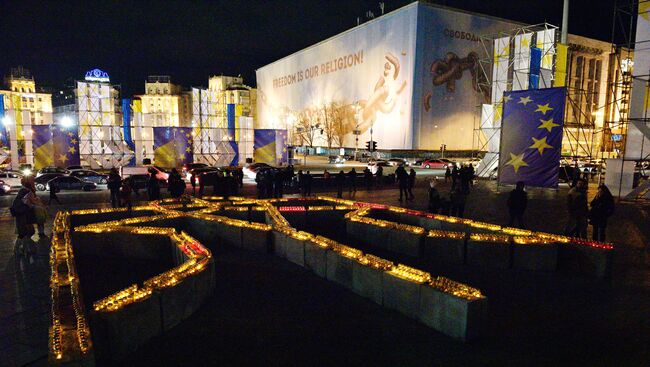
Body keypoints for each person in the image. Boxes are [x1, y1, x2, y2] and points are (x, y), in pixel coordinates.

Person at [11, 176, 37, 256]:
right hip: (22, 213)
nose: (34, 184)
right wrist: (36, 204)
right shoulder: (27, 192)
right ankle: (17, 249)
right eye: (33, 183)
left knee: (28, 231)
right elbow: (30, 203)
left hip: (21, 213)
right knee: (23, 232)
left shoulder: (23, 191)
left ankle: (24, 248)